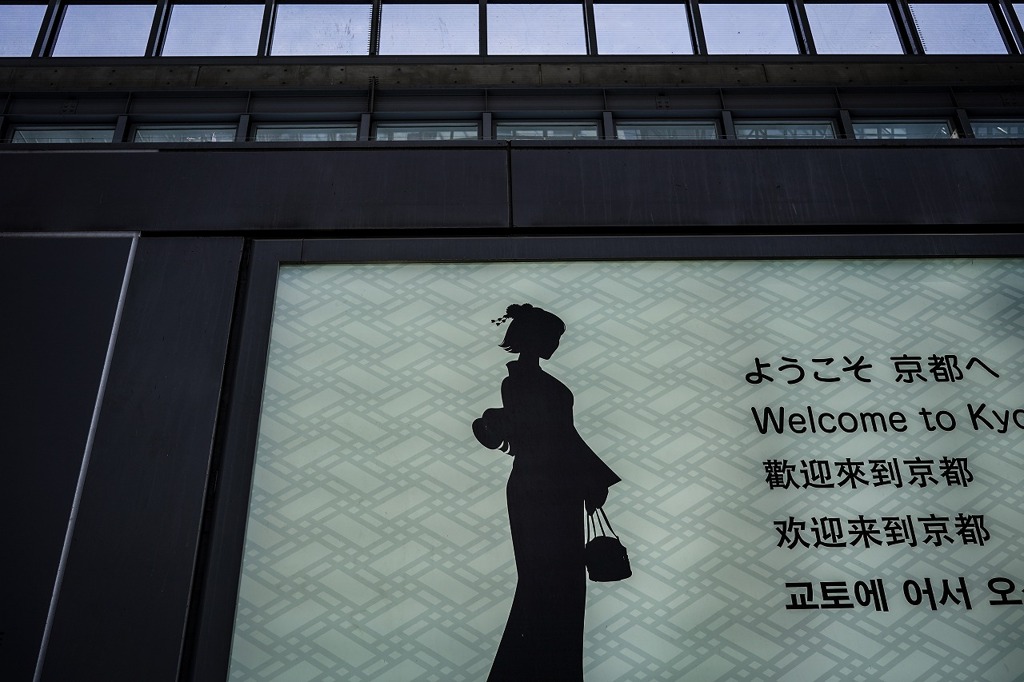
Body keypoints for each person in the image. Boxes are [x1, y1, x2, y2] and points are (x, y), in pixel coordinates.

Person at [474, 303, 621, 682]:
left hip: (554, 483)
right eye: (554, 336)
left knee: (558, 578)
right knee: (547, 579)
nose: (557, 343)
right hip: (543, 484)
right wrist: (593, 478)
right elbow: (554, 436)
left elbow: (559, 436)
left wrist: (589, 479)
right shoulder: (522, 383)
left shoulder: (530, 383)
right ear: (536, 337)